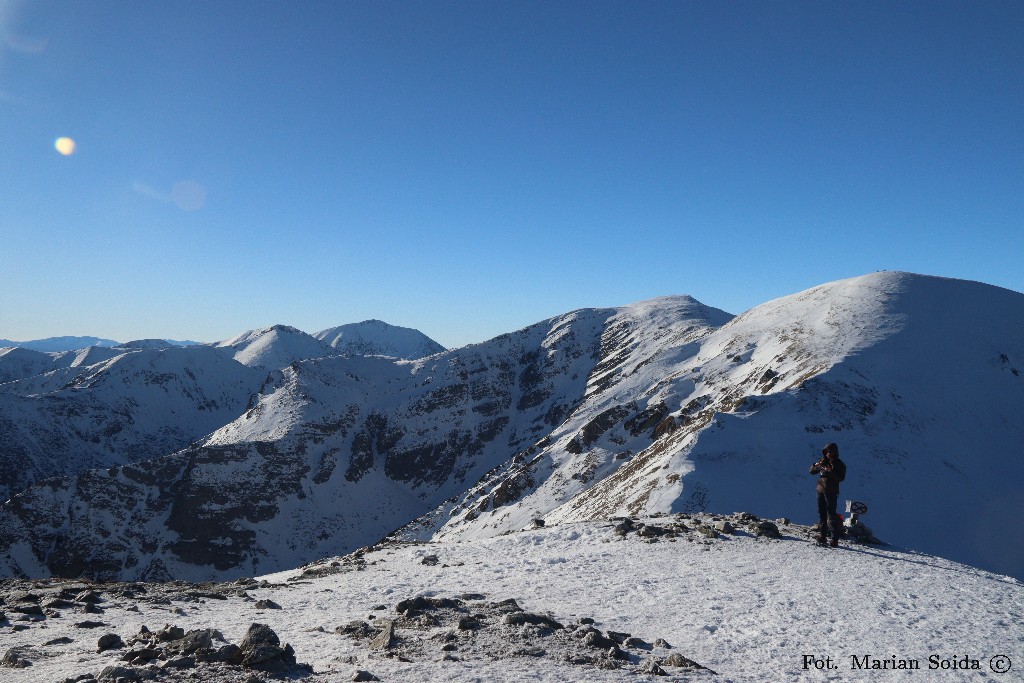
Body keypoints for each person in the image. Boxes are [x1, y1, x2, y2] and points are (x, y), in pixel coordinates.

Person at [809, 442, 846, 546]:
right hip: (820, 489)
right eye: (826, 451)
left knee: (831, 514)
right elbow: (811, 472)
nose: (828, 453)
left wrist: (830, 471)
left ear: (834, 452)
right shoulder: (823, 461)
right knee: (822, 513)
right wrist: (815, 466)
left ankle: (834, 540)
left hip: (831, 491)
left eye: (830, 451)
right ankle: (823, 536)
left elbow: (841, 478)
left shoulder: (839, 464)